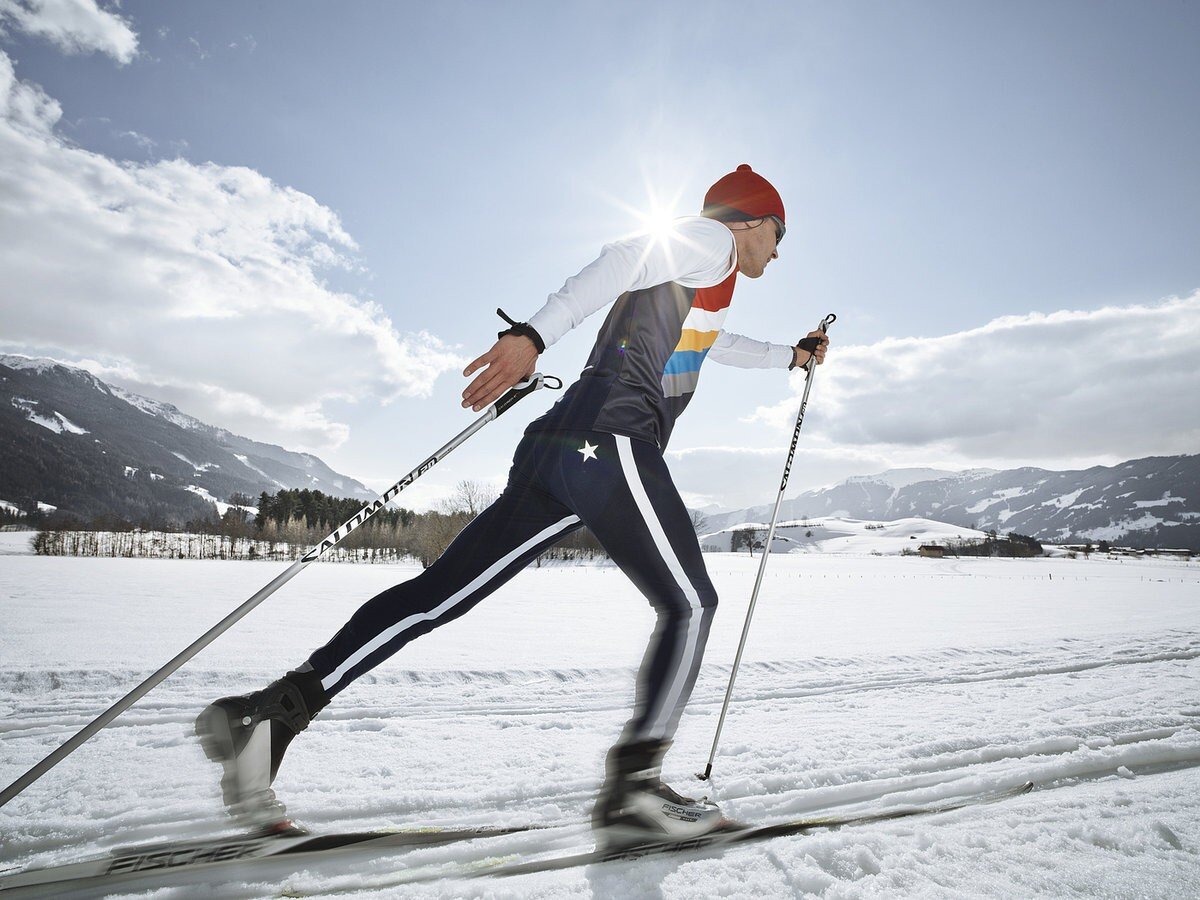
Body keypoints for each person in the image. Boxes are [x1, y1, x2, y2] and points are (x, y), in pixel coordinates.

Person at [195, 164, 830, 847]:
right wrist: (533, 335)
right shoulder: (710, 242)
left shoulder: (704, 286)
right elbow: (627, 255)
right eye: (779, 234)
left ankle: (273, 716)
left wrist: (791, 357)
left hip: (562, 445)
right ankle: (634, 789)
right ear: (755, 221)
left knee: (439, 594)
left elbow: (715, 345)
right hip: (612, 435)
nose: (778, 250)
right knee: (693, 604)